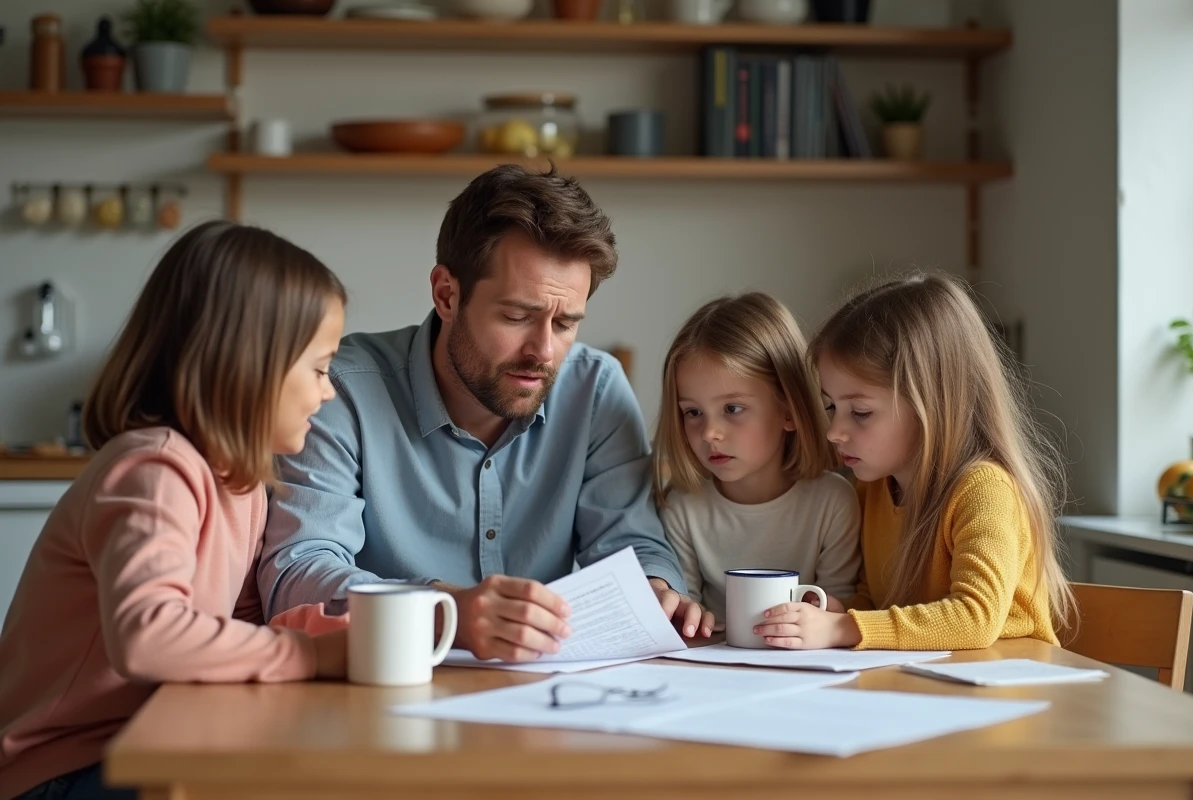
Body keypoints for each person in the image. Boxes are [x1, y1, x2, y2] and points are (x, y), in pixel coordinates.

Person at [259, 165, 705, 664]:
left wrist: (655, 587)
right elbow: (297, 573)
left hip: (546, 700)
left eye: (565, 324)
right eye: (517, 317)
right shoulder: (339, 391)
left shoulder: (595, 389)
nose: (544, 351)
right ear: (447, 295)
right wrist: (441, 611)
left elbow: (632, 546)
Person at [0, 221, 350, 800]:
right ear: (249, 366)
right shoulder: (155, 470)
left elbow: (235, 627)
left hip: (140, 739)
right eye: (318, 367)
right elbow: (149, 635)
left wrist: (346, 630)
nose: (329, 391)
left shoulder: (240, 483)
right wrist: (310, 654)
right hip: (58, 768)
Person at [751, 273, 1074, 651]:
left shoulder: (984, 490)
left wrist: (843, 629)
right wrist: (838, 614)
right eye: (832, 406)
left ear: (931, 406)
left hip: (1011, 692)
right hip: (928, 691)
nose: (833, 431)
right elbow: (875, 600)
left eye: (860, 412)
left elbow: (976, 617)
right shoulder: (871, 489)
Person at [654, 293, 860, 635]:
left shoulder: (834, 502)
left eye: (732, 409)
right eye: (692, 412)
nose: (709, 433)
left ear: (789, 410)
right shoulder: (682, 507)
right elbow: (683, 614)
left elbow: (836, 609)